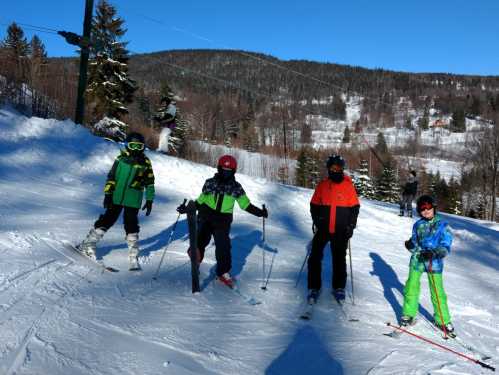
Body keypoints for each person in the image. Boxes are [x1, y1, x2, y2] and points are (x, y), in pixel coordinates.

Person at [177, 155, 267, 288]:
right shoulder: (210, 183)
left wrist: (260, 212)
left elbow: (245, 205)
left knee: (223, 247)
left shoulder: (236, 187)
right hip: (206, 215)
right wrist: (188, 209)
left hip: (223, 220)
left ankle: (223, 272)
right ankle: (196, 256)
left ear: (233, 171)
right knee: (201, 238)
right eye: (223, 169)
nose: (226, 173)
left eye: (229, 170)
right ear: (219, 168)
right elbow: (200, 201)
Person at [80, 132, 155, 270]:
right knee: (108, 219)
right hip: (117, 196)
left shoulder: (145, 162)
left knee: (131, 223)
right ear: (127, 145)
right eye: (133, 146)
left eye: (139, 146)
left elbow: (150, 182)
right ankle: (88, 244)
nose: (136, 149)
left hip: (133, 199)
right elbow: (112, 177)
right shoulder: (120, 159)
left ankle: (133, 254)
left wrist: (149, 199)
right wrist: (108, 193)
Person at [307, 154, 360, 303]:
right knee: (315, 257)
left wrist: (351, 226)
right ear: (329, 169)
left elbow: (355, 208)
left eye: (338, 168)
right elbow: (314, 205)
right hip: (323, 228)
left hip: (341, 230)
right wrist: (317, 220)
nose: (336, 170)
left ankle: (339, 287)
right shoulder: (323, 185)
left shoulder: (348, 186)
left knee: (339, 259)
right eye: (333, 168)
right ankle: (313, 287)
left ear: (342, 169)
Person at [401, 195, 455, 335]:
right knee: (411, 286)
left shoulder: (443, 225)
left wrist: (434, 253)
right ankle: (408, 314)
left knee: (437, 291)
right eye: (422, 208)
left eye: (428, 207)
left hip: (434, 261)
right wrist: (410, 245)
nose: (425, 211)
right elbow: (415, 243)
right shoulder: (417, 225)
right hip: (418, 260)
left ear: (434, 207)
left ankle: (442, 320)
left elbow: (446, 246)